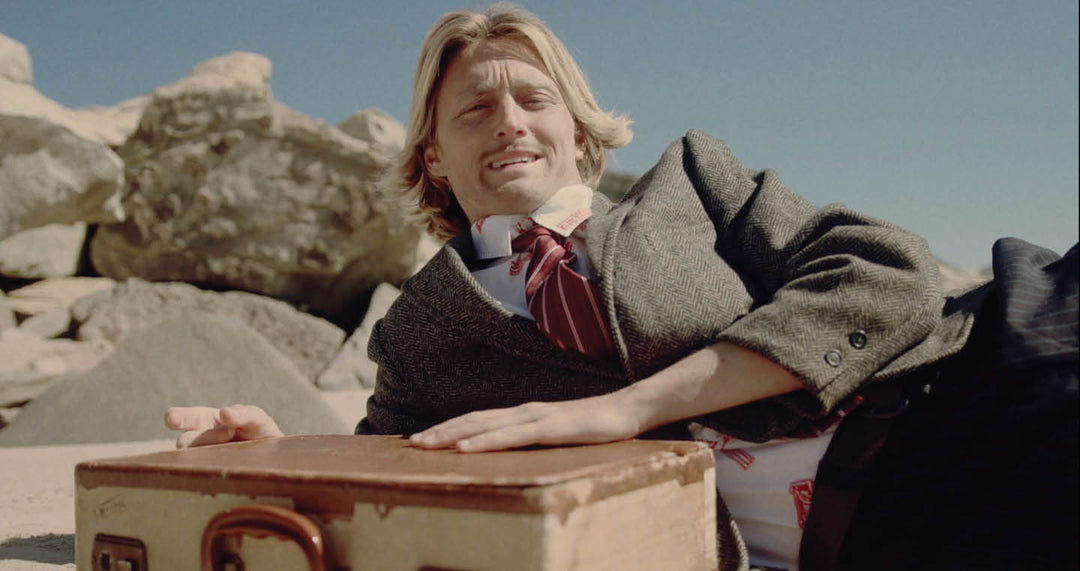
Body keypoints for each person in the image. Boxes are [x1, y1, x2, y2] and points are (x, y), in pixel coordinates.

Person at [167, 5, 1078, 570]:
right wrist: (273, 454)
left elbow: (888, 273)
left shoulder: (696, 182)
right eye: (474, 109)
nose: (510, 123)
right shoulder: (417, 335)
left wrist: (632, 408)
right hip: (889, 529)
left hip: (979, 373)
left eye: (535, 99)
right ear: (433, 157)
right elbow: (390, 483)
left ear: (580, 132)